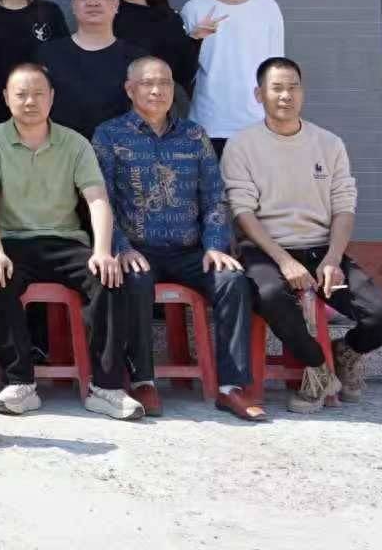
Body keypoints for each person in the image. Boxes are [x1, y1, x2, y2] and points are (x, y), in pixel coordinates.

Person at [224, 57, 382, 409]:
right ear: (259, 95)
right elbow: (242, 211)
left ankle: (346, 352)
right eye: (277, 88)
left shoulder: (328, 143)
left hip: (322, 249)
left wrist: (334, 259)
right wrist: (284, 261)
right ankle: (318, 368)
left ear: (303, 92)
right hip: (266, 250)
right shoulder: (242, 145)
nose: (286, 95)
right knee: (270, 295)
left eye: (293, 87)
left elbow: (344, 206)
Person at [0, 64, 143, 420]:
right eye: (21, 94)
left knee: (109, 279)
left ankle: (106, 388)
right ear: (5, 98)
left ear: (51, 97)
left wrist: (102, 251)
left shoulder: (75, 143)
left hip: (65, 239)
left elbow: (97, 199)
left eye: (38, 93)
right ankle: (19, 384)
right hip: (13, 240)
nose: (29, 101)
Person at [94, 55, 259, 421]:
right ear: (130, 90)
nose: (157, 90)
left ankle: (231, 388)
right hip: (138, 249)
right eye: (148, 83)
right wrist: (121, 247)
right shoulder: (109, 135)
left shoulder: (194, 135)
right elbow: (101, 200)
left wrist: (215, 245)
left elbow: (214, 196)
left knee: (232, 280)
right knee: (134, 280)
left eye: (165, 83)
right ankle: (143, 381)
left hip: (190, 250)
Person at [180, 0, 285, 150]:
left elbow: (277, 68)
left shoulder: (267, 8)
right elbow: (183, 72)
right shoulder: (193, 9)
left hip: (257, 121)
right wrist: (194, 38)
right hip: (208, 122)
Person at [38, 0, 147, 140]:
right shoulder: (47, 54)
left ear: (116, 5)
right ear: (73, 6)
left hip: (119, 151)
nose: (93, 3)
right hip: (60, 151)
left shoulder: (138, 59)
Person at [111, 0, 200, 95]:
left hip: (161, 102)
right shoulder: (107, 15)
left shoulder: (170, 17)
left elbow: (184, 74)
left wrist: (195, 39)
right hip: (116, 102)